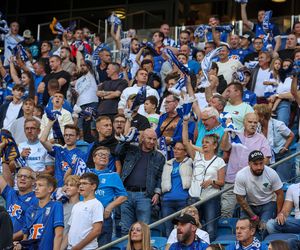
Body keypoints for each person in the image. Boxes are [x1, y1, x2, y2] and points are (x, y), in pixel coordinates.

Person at [220, 113, 272, 218]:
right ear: (244, 122)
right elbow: (224, 147)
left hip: (250, 182)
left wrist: (253, 170)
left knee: (246, 216)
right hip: (231, 180)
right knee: (226, 213)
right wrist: (226, 132)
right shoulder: (235, 134)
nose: (253, 124)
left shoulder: (261, 139)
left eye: (255, 122)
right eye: (250, 122)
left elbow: (266, 159)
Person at [184, 114, 225, 241]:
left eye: (207, 142)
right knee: (191, 225)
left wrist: (211, 182)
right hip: (194, 197)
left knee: (210, 227)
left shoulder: (219, 161)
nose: (204, 144)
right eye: (202, 143)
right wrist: (185, 123)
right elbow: (186, 142)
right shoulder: (197, 157)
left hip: (211, 198)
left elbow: (222, 183)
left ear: (214, 146)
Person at [119, 128, 165, 235]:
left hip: (144, 195)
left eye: (154, 139)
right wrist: (125, 141)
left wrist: (157, 193)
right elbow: (118, 151)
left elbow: (160, 177)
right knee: (125, 229)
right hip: (126, 194)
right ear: (142, 138)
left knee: (143, 229)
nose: (152, 142)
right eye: (149, 138)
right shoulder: (131, 150)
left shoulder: (159, 157)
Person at [234, 150, 284, 230]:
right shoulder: (241, 175)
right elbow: (240, 199)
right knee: (244, 227)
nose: (259, 167)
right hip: (249, 204)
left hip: (268, 203)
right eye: (255, 164)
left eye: (261, 163)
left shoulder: (271, 173)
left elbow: (280, 193)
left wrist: (279, 213)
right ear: (249, 163)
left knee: (264, 227)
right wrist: (253, 217)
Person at [90, 146, 127, 246]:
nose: (104, 157)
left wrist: (109, 208)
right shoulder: (86, 173)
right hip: (86, 215)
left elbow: (123, 196)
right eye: (100, 154)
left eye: (106, 155)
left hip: (103, 217)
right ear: (94, 158)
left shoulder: (113, 175)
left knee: (103, 246)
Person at [20, 174, 64, 250]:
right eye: (35, 185)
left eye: (40, 185)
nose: (36, 188)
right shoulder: (30, 209)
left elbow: (59, 234)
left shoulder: (56, 205)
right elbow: (25, 236)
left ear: (50, 189)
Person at [254, 104, 295, 181]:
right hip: (269, 157)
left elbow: (291, 135)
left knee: (281, 180)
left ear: (262, 117)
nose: (254, 116)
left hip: (282, 156)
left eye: (256, 114)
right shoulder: (258, 127)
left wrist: (285, 148)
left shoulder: (278, 124)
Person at [40, 123, 88, 187]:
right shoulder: (58, 150)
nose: (68, 137)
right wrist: (50, 123)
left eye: (71, 135)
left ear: (77, 137)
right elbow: (42, 140)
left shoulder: (82, 154)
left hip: (73, 188)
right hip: (58, 189)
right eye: (66, 135)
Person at [161, 141, 193, 236]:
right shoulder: (168, 163)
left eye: (179, 149)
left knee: (183, 230)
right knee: (168, 231)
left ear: (185, 152)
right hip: (167, 201)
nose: (176, 151)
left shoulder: (190, 162)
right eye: (175, 148)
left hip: (183, 200)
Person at [67, 173, 103, 250]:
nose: (80, 186)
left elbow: (97, 230)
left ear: (93, 186)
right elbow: (70, 230)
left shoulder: (97, 204)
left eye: (84, 183)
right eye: (80, 183)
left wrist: (77, 247)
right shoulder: (77, 205)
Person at [0, 167, 37, 241]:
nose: (22, 178)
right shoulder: (11, 193)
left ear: (33, 181)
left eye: (26, 177)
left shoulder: (36, 199)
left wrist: (9, 239)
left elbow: (29, 226)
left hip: (20, 243)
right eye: (20, 176)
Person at [60, 175, 80, 250]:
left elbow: (71, 231)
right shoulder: (61, 204)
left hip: (68, 245)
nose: (67, 187)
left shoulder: (80, 206)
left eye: (71, 185)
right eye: (67, 185)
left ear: (78, 189)